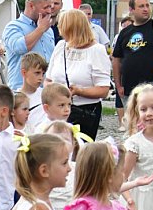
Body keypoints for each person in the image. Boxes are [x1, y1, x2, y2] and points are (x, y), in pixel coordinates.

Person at [45, 9, 111, 140]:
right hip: (57, 110)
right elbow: (48, 78)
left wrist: (79, 91)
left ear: (71, 28)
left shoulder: (97, 50)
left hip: (84, 111)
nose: (59, 28)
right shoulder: (61, 46)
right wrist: (52, 91)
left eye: (61, 25)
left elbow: (103, 89)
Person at [112, 0, 153, 115]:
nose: (145, 9)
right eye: (141, 6)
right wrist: (118, 85)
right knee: (133, 124)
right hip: (129, 88)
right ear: (131, 10)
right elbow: (116, 59)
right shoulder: (125, 33)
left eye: (147, 6)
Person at [2, 0, 55, 91]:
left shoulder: (49, 30)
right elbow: (19, 48)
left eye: (50, 7)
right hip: (21, 93)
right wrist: (40, 29)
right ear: (31, 5)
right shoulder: (13, 27)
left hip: (45, 91)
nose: (49, 11)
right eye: (46, 7)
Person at [18, 52, 48, 133]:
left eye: (43, 74)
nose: (41, 78)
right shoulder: (15, 98)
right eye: (37, 73)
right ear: (24, 73)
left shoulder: (46, 95)